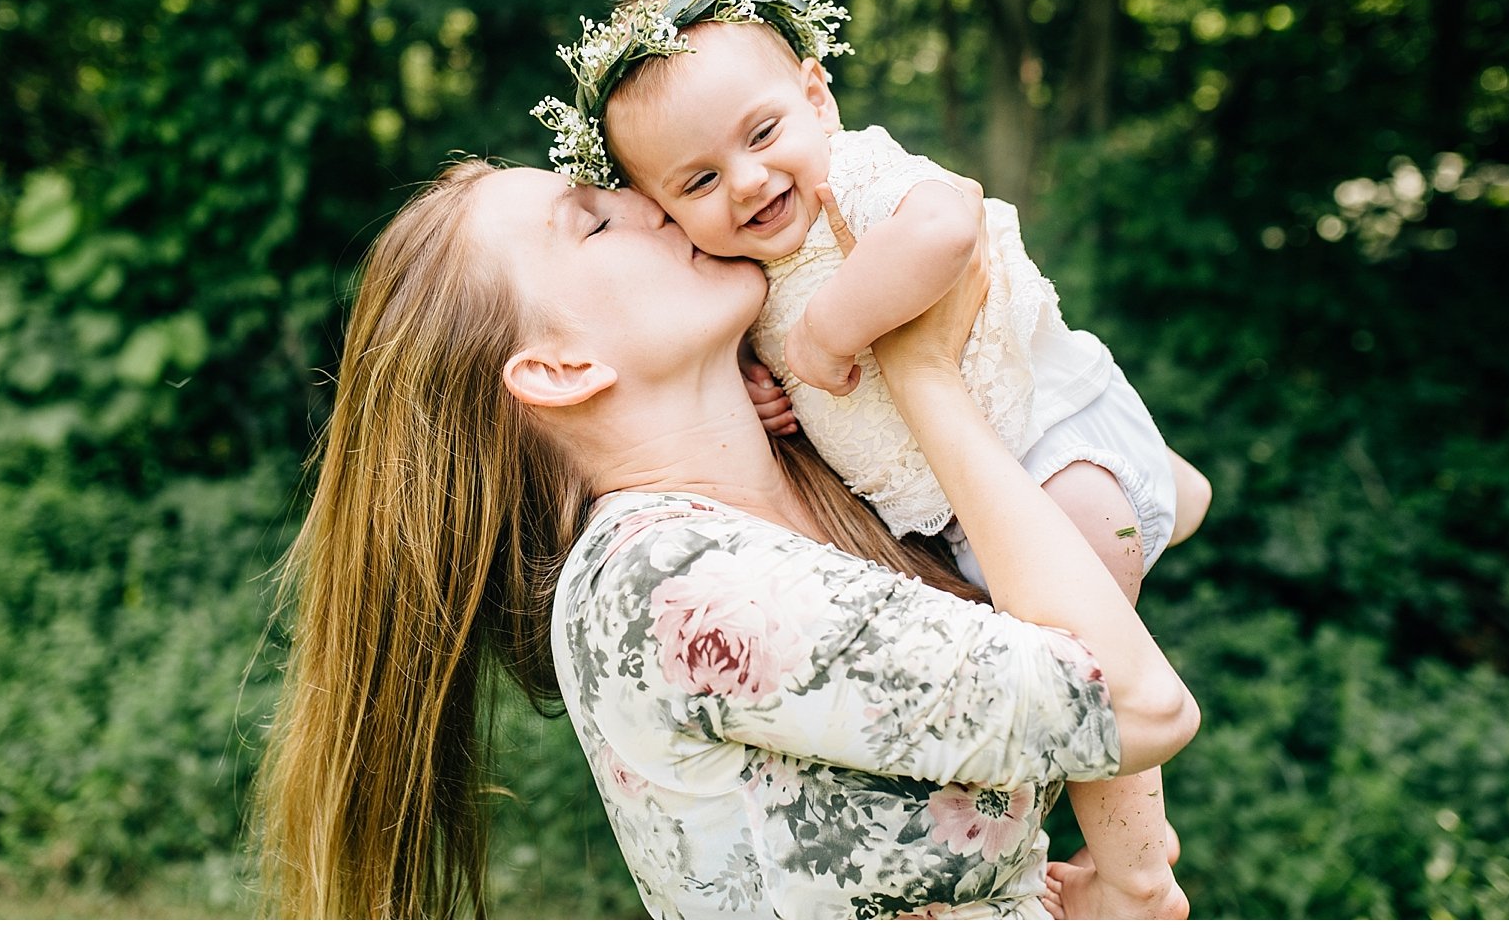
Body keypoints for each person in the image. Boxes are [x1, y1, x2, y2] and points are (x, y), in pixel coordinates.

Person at [253, 157, 1199, 917]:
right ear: (559, 367)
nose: (648, 201)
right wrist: (927, 374)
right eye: (592, 219)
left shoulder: (828, 489)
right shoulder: (665, 585)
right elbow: (1140, 707)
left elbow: (1169, 498)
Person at [531, 0, 1211, 916]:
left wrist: (831, 333)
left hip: (1051, 440)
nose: (749, 181)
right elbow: (814, 390)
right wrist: (777, 393)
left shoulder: (856, 178)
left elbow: (949, 226)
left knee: (1091, 653)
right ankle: (1172, 499)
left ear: (817, 96)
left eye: (761, 133)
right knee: (1069, 640)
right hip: (961, 499)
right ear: (666, 211)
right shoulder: (744, 284)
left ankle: (1142, 873)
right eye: (697, 183)